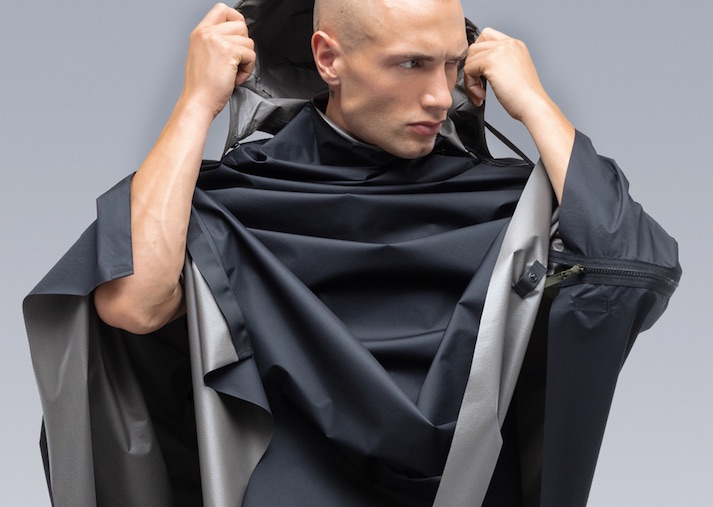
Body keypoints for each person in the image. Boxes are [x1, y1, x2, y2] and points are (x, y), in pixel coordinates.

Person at [24, 0, 680, 506]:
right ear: (328, 58)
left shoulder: (506, 206)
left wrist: (533, 102)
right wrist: (197, 101)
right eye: (410, 64)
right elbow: (135, 302)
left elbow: (632, 266)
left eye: (452, 64)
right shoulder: (235, 200)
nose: (438, 95)